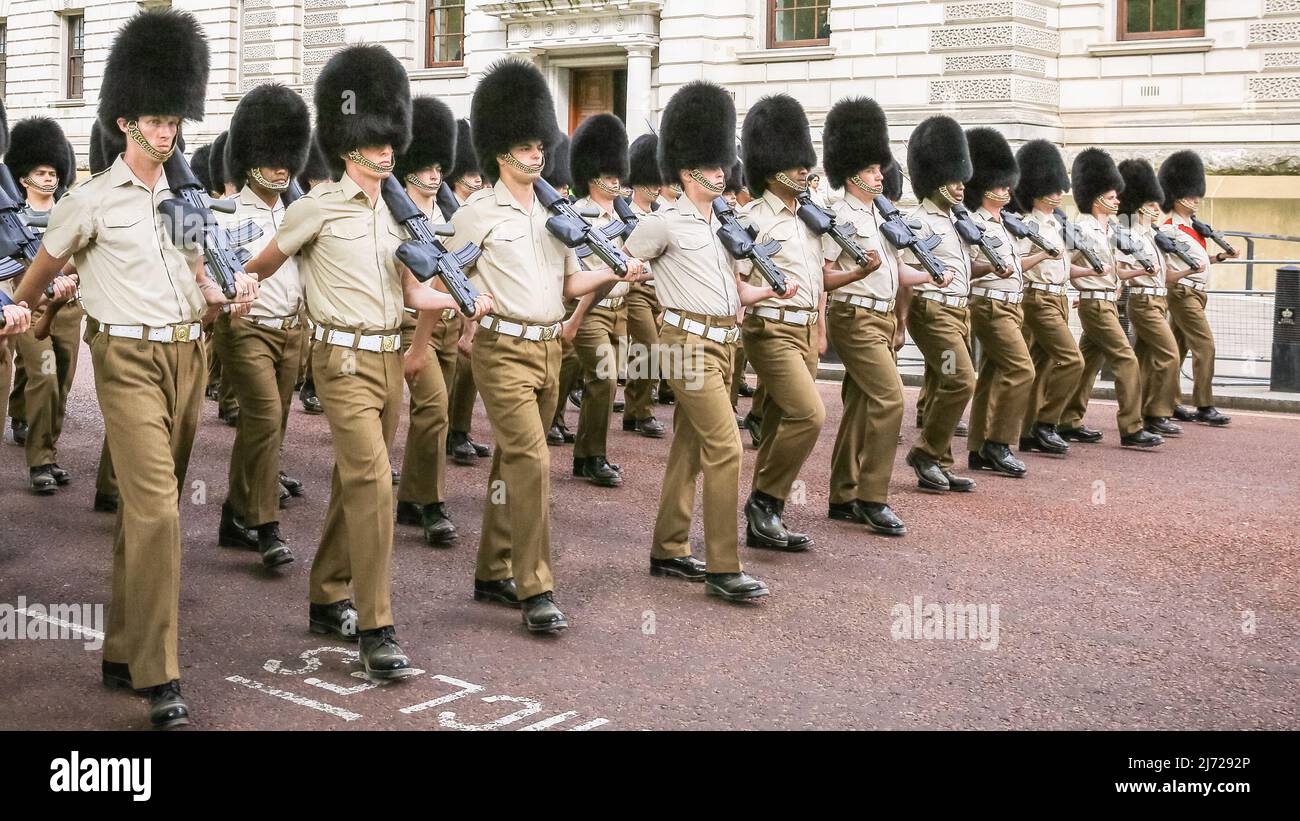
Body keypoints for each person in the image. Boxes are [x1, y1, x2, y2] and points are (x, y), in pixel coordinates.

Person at [11, 8, 260, 728]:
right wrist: (26, 311)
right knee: (154, 510)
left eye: (174, 119)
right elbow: (39, 275)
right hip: (122, 356)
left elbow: (203, 282)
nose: (167, 131)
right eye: (155, 120)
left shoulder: (184, 203)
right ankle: (158, 672)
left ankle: (120, 647)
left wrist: (230, 290)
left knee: (154, 513)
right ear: (125, 122)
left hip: (188, 354)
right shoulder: (88, 202)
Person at [245, 44, 491, 675]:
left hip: (386, 360)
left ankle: (328, 595)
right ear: (348, 144)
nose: (388, 153)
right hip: (340, 361)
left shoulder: (396, 212)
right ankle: (377, 625)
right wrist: (243, 289)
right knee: (373, 483)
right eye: (376, 144)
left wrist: (462, 300)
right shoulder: (315, 206)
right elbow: (259, 265)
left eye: (391, 144)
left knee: (352, 482)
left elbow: (411, 291)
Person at [449, 59, 640, 633]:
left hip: (548, 349)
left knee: (513, 460)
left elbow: (568, 284)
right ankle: (536, 586)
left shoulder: (556, 214)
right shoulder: (475, 214)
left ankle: (491, 570)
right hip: (502, 349)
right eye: (528, 147)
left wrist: (614, 274)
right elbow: (448, 277)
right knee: (533, 461)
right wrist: (467, 313)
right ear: (502, 152)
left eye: (541, 146)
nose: (539, 155)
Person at [623, 80, 776, 600]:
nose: (724, 172)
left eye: (723, 166)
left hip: (724, 343)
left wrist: (765, 293)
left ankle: (668, 548)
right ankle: (722, 567)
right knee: (726, 446)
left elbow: (728, 288)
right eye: (714, 167)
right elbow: (625, 265)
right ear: (688, 172)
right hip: (684, 345)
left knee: (689, 449)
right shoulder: (663, 223)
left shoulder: (721, 226)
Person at [821, 97, 951, 535]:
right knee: (891, 399)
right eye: (875, 169)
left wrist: (930, 278)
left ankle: (842, 495)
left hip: (880, 319)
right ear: (854, 171)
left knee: (860, 406)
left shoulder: (882, 215)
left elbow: (894, 270)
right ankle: (872, 497)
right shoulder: (836, 215)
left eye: (881, 168)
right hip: (853, 317)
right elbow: (823, 274)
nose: (883, 174)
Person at [213, 82, 314, 568]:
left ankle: (234, 515)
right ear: (250, 158)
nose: (282, 166)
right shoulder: (226, 213)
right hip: (246, 328)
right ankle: (265, 524)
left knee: (268, 425)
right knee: (264, 419)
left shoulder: (299, 212)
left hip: (291, 330)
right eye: (272, 157)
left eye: (287, 158)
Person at [390, 96, 461, 546]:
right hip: (410, 323)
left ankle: (412, 499)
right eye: (427, 167)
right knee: (432, 408)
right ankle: (430, 503)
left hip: (448, 324)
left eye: (440, 167)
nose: (435, 175)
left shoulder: (450, 215)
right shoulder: (399, 218)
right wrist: (417, 344)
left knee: (436, 415)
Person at [1058, 148, 1163, 449]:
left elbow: (1109, 270)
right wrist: (1083, 284)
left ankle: (1068, 420)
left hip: (1108, 301)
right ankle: (1132, 427)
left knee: (1088, 363)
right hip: (1095, 305)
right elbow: (1063, 267)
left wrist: (1133, 272)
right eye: (1113, 195)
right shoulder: (1079, 229)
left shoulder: (1110, 229)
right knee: (1126, 359)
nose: (1119, 200)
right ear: (1097, 197)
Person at [3, 116, 81, 493]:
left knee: (60, 379)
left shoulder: (70, 212)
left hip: (67, 307)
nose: (49, 179)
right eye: (41, 172)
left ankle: (32, 426)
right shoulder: (11, 219)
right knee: (45, 374)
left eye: (53, 172)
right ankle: (41, 462)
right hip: (29, 305)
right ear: (23, 178)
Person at [901, 116, 978, 493]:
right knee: (961, 380)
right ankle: (926, 453)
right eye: (953, 179)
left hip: (958, 311)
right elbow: (906, 276)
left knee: (945, 382)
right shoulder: (918, 223)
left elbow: (963, 269)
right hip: (932, 313)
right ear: (935, 179)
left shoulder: (956, 221)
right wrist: (900, 324)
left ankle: (941, 462)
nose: (961, 186)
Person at [566, 113, 635, 487]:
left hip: (618, 309)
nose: (617, 182)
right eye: (610, 177)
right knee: (604, 379)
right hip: (589, 310)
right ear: (593, 178)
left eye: (617, 175)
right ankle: (593, 455)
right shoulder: (578, 217)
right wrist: (576, 319)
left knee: (605, 382)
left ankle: (587, 455)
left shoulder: (625, 218)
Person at [963, 127, 1035, 478]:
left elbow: (1011, 268)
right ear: (984, 185)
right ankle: (999, 442)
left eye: (1008, 184)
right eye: (1000, 183)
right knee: (1022, 369)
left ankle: (978, 448)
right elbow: (966, 269)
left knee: (991, 376)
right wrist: (992, 266)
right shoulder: (973, 222)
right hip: (990, 305)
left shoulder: (1005, 224)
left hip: (1011, 304)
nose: (1007, 189)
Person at [1014, 140, 1083, 457]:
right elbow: (1017, 265)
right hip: (1037, 298)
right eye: (1051, 188)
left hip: (1059, 298)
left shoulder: (1057, 223)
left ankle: (1028, 433)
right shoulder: (1027, 225)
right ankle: (1047, 422)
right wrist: (1043, 254)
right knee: (1072, 360)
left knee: (1041, 365)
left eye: (1059, 188)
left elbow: (1064, 268)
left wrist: (1096, 276)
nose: (1057, 193)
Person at [1158, 150, 1234, 426]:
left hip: (1197, 292)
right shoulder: (1169, 229)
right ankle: (1204, 404)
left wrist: (1220, 257)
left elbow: (1198, 261)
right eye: (1191, 195)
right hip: (1183, 292)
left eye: (1196, 194)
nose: (1196, 199)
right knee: (1205, 345)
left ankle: (1170, 401)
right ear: (1176, 197)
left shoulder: (1193, 227)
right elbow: (1169, 262)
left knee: (1176, 349)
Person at [1116, 158, 1183, 438]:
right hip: (1143, 302)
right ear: (1140, 204)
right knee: (1170, 355)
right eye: (1153, 204)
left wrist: (1191, 269)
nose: (1157, 209)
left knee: (1143, 359)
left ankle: (1142, 411)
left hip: (1159, 300)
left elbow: (1162, 277)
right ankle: (1158, 413)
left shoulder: (1153, 236)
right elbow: (1118, 269)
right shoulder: (1129, 234)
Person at [444, 118, 494, 463]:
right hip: (444, 299)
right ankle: (449, 432)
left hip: (471, 299)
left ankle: (459, 429)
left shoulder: (474, 209)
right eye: (471, 173)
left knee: (468, 375)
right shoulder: (453, 208)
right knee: (453, 376)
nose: (476, 179)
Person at [620, 132, 668, 439]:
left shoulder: (662, 215)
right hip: (636, 289)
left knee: (649, 351)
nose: (656, 186)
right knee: (648, 348)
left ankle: (632, 411)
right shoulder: (625, 215)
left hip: (660, 291)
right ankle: (642, 411)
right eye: (651, 180)